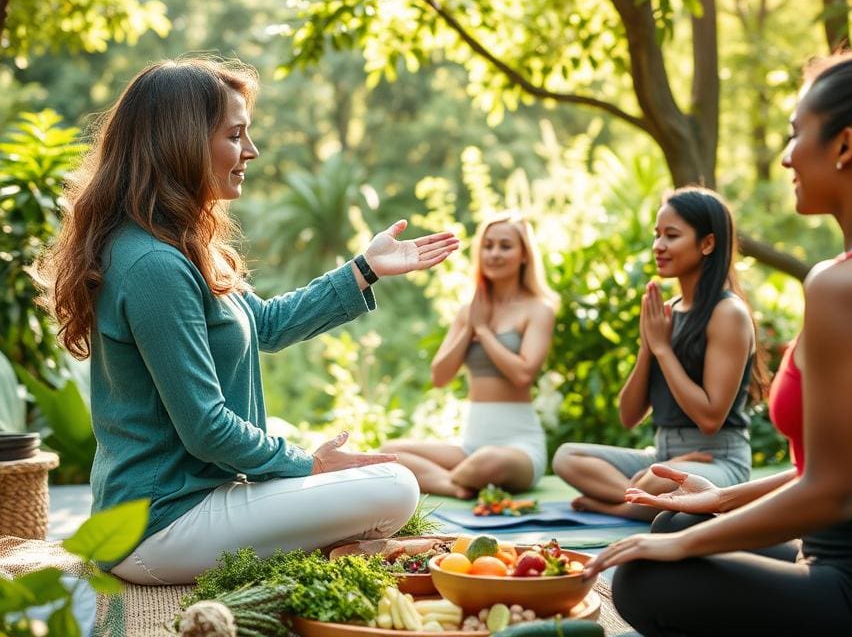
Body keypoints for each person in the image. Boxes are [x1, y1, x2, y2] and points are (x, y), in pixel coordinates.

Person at [584, 18, 852, 637]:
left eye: (796, 136)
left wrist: (679, 550)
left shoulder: (849, 283)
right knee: (678, 523)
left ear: (843, 146)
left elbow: (832, 495)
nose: (786, 156)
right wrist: (721, 499)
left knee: (647, 575)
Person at [34, 58, 459, 585]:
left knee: (369, 473)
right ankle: (342, 556)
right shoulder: (153, 266)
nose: (251, 152)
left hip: (195, 505)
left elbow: (265, 324)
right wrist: (310, 465)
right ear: (181, 144)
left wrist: (364, 270)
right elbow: (207, 428)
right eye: (236, 136)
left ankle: (339, 555)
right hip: (156, 527)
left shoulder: (177, 247)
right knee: (394, 486)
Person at [552, 187, 765, 520]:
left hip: (719, 461)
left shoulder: (728, 313)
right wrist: (647, 345)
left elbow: (710, 419)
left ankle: (617, 506)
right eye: (657, 235)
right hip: (664, 455)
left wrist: (663, 348)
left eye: (671, 236)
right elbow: (629, 416)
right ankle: (637, 501)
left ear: (707, 243)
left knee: (657, 482)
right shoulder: (665, 314)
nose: (658, 246)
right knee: (567, 457)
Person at [381, 212, 558, 498]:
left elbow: (523, 374)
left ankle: (445, 480)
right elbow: (439, 377)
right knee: (388, 453)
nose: (494, 254)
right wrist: (468, 329)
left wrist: (483, 331)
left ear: (525, 255)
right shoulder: (469, 311)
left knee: (489, 461)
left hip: (518, 449)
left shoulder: (538, 309)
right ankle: (458, 485)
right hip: (470, 448)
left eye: (505, 246)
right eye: (488, 246)